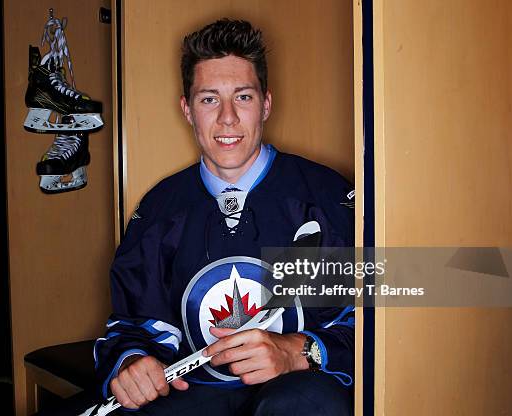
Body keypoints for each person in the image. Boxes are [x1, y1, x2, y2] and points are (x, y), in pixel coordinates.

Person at [39, 18, 354, 416]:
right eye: (209, 99)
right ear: (187, 109)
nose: (226, 118)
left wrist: (299, 351)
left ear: (266, 104)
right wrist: (132, 364)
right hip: (196, 394)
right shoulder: (160, 209)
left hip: (300, 392)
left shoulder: (323, 198)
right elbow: (135, 322)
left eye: (243, 97)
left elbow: (371, 325)